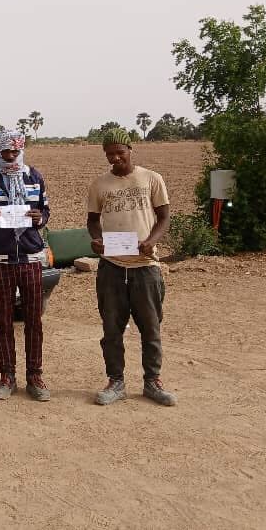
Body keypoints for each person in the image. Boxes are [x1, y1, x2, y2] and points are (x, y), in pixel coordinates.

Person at [86, 129, 176, 407]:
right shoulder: (99, 184)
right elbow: (92, 220)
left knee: (151, 328)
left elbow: (164, 218)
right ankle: (116, 382)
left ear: (130, 150)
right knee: (112, 330)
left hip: (145, 266)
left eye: (119, 152)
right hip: (112, 267)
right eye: (109, 154)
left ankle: (153, 382)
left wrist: (151, 242)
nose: (115, 158)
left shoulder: (152, 179)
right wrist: (97, 240)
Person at [0, 128, 52, 402]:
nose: (10, 156)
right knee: (3, 321)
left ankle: (35, 376)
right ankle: (7, 376)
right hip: (1, 260)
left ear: (21, 150)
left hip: (30, 259)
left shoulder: (34, 176)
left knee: (33, 321)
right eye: (5, 151)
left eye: (14, 151)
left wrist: (39, 218)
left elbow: (45, 210)